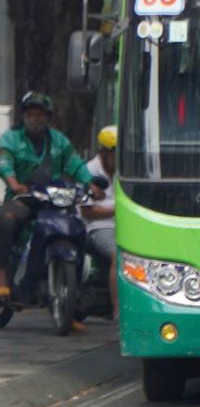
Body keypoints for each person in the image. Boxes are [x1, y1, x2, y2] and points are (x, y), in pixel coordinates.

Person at [0, 91, 101, 298]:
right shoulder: (11, 138)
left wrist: (90, 184)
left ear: (48, 117)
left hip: (54, 200)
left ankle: (73, 299)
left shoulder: (59, 141)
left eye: (40, 114)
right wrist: (14, 184)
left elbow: (75, 164)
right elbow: (4, 163)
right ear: (24, 116)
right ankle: (2, 272)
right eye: (31, 114)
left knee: (78, 232)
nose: (36, 118)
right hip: (23, 198)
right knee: (7, 219)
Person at [80, 124, 118, 319]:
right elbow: (87, 211)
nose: (119, 159)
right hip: (99, 228)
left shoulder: (124, 171)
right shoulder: (89, 172)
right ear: (104, 152)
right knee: (117, 256)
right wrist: (117, 210)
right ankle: (117, 310)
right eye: (115, 154)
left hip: (125, 225)